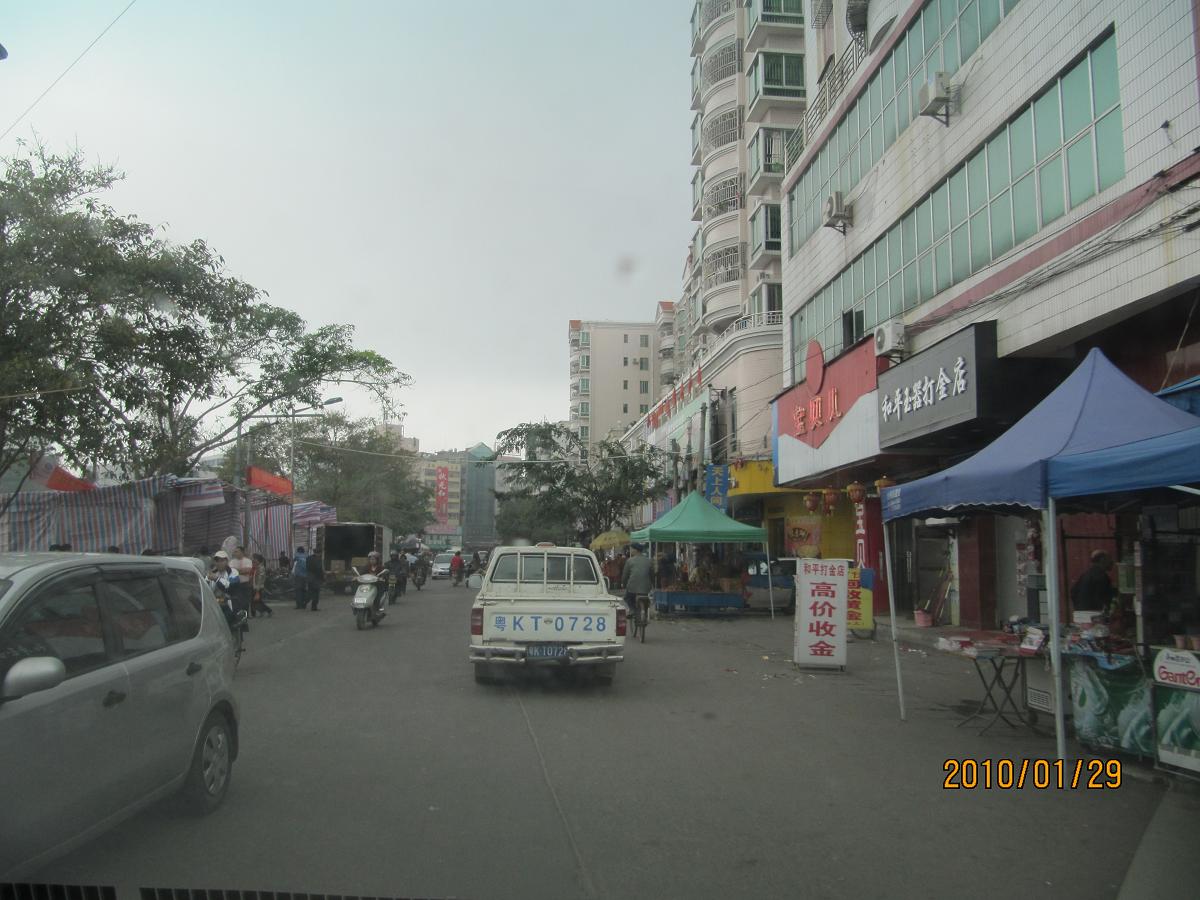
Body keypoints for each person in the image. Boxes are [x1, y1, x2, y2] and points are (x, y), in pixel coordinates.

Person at [1071, 550, 1117, 616]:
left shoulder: (1086, 574)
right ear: (1102, 560)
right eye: (1109, 559)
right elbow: (1103, 598)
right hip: (1094, 614)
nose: (1112, 562)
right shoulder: (1101, 576)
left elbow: (1073, 592)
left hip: (1081, 613)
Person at [621, 543, 654, 616]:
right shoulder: (648, 561)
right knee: (645, 596)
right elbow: (652, 574)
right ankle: (645, 610)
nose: (630, 550)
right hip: (646, 587)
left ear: (635, 550)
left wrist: (623, 583)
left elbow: (625, 575)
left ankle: (632, 609)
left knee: (627, 598)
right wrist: (652, 584)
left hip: (632, 587)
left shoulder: (630, 561)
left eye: (631, 549)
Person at [230, 546, 254, 620]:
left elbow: (248, 571)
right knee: (237, 600)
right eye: (235, 551)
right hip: (235, 584)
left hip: (245, 583)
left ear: (242, 552)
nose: (235, 553)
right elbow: (231, 572)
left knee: (246, 600)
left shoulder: (248, 561)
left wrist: (236, 570)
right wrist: (242, 571)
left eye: (237, 551)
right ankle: (238, 615)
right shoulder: (232, 562)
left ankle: (246, 614)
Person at [250, 552, 273, 618]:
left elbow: (260, 579)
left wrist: (257, 588)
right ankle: (262, 612)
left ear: (258, 560)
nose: (253, 560)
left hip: (258, 587)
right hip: (255, 586)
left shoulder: (261, 568)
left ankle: (269, 611)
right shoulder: (256, 567)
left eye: (255, 559)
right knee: (257, 601)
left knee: (257, 601)